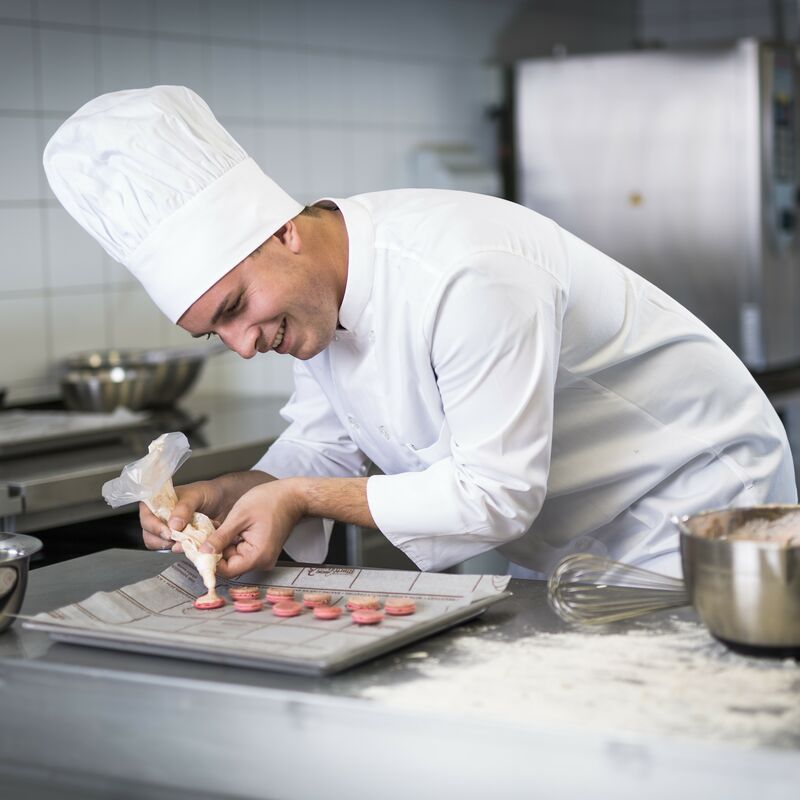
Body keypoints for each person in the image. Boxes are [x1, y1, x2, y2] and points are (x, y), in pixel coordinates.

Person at [43, 85, 797, 581]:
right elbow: (324, 444)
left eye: (237, 305)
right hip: (569, 536)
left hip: (694, 510)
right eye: (217, 332)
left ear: (283, 234)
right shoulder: (312, 302)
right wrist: (234, 493)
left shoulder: (466, 271)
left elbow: (495, 494)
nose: (244, 343)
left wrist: (302, 498)